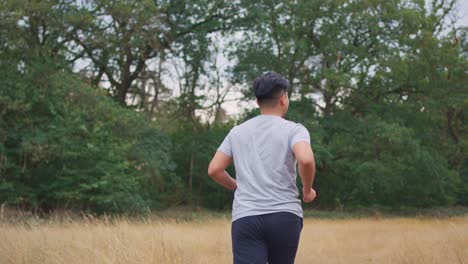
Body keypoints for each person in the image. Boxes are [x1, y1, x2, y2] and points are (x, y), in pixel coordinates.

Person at [207, 71, 316, 264]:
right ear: (283, 99)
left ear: (257, 102)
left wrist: (236, 186)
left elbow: (214, 169)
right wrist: (307, 190)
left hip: (246, 216)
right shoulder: (294, 130)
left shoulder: (237, 132)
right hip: (285, 215)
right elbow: (306, 160)